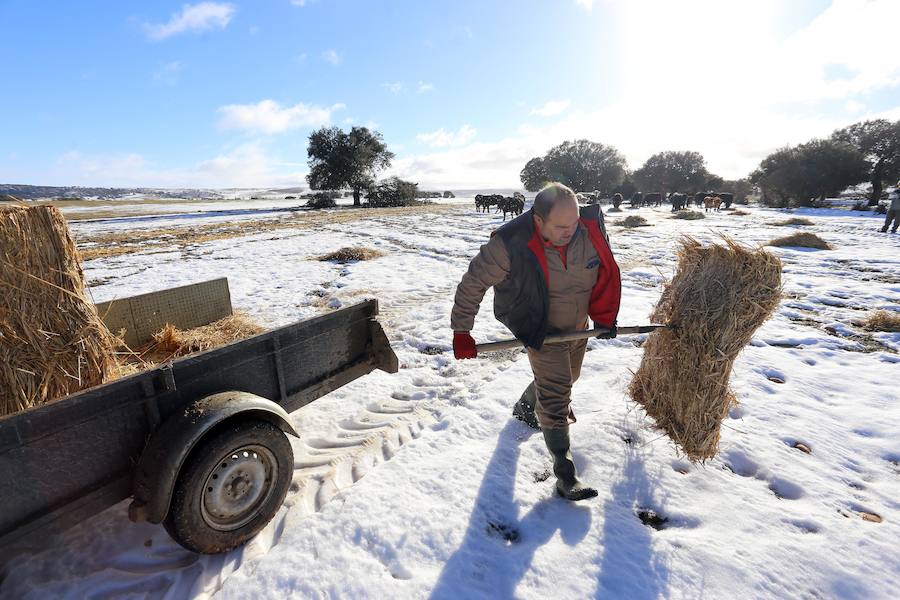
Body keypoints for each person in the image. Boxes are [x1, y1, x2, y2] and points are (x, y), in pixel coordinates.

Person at [450, 182, 621, 501]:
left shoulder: (589, 230)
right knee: (557, 393)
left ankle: (526, 406)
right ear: (538, 220)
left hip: (578, 328)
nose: (570, 232)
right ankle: (566, 476)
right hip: (540, 327)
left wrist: (605, 318)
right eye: (560, 227)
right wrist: (462, 331)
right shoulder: (510, 243)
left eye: (574, 223)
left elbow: (606, 274)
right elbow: (473, 283)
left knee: (569, 376)